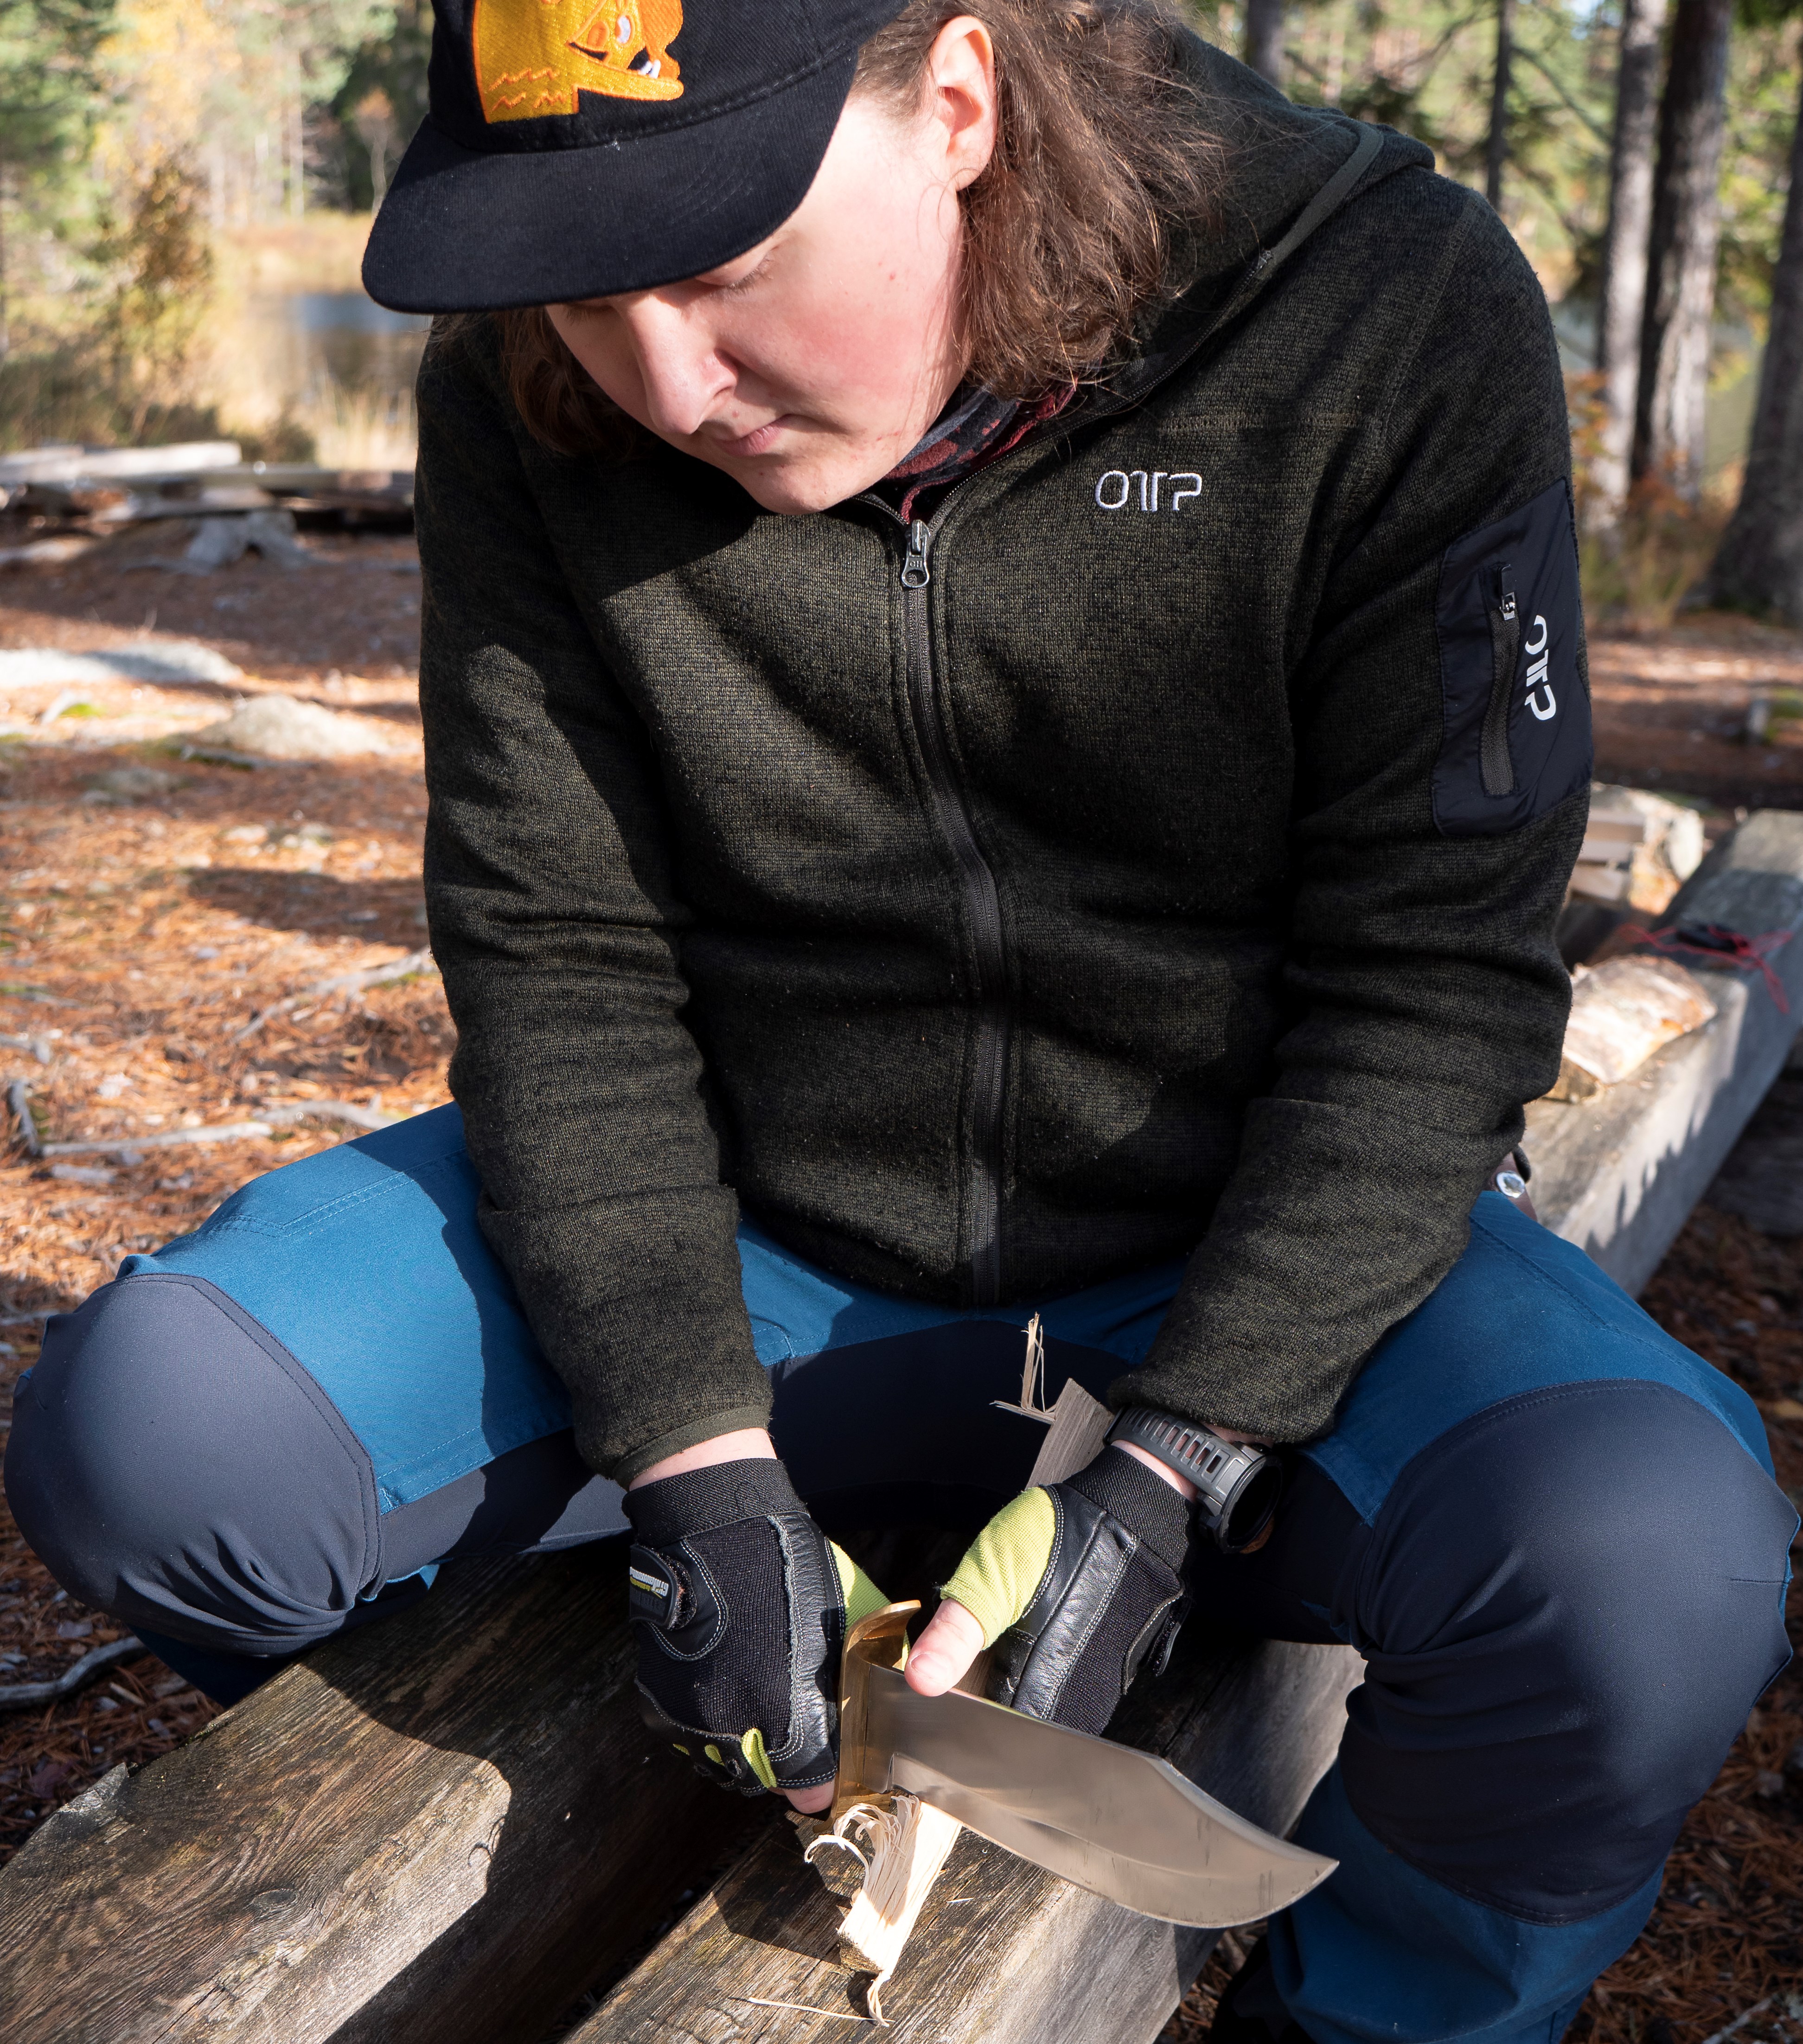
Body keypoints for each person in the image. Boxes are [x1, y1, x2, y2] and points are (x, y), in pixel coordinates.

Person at [8, 3, 1795, 2040]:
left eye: (721, 266)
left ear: (959, 102)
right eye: (593, 294)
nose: (665, 381)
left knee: (1642, 1564)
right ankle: (602, 1827)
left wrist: (1174, 1467)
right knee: (164, 1433)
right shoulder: (535, 379)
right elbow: (561, 958)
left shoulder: (1373, 305)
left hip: (1238, 1264)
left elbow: (1432, 982)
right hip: (752, 1242)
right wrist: (686, 1446)